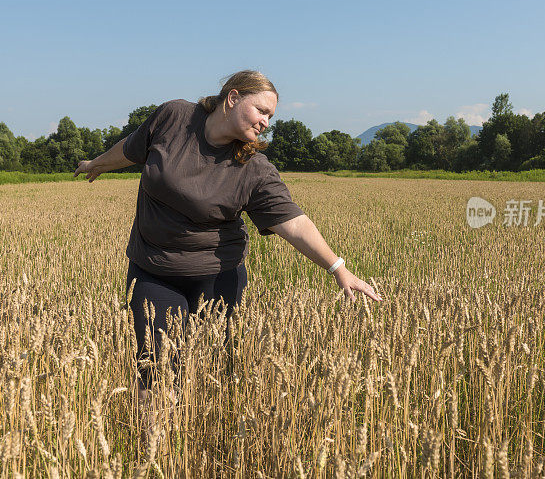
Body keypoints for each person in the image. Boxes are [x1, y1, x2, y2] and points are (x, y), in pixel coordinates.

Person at [74, 70, 381, 393]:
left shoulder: (254, 169)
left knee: (212, 376)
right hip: (154, 271)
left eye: (271, 116)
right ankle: (152, 440)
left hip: (217, 280)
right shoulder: (173, 117)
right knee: (156, 371)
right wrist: (97, 163)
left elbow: (293, 222)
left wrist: (337, 268)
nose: (266, 122)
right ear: (232, 99)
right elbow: (132, 148)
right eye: (261, 111)